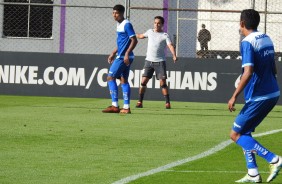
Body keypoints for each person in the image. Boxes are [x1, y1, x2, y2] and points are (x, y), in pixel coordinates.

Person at [228, 9, 281, 183]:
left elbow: (248, 72)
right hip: (272, 91)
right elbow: (273, 67)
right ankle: (253, 173)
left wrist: (234, 95)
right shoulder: (266, 38)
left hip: (260, 95)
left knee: (235, 134)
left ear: (242, 23)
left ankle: (274, 159)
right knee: (245, 132)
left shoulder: (247, 42)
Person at [135, 16, 177, 109]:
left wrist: (174, 55)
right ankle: (139, 102)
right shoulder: (150, 32)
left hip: (160, 62)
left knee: (163, 83)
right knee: (143, 82)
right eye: (155, 23)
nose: (156, 25)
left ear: (162, 25)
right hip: (148, 61)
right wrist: (132, 34)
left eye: (158, 23)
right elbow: (141, 36)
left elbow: (170, 45)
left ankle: (167, 103)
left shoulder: (165, 35)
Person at [102, 4, 138, 114]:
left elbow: (134, 40)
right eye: (113, 13)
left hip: (123, 57)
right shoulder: (119, 24)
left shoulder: (126, 24)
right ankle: (126, 107)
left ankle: (115, 106)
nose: (114, 15)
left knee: (110, 77)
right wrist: (113, 52)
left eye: (116, 13)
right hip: (123, 56)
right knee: (124, 80)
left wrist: (126, 53)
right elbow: (122, 42)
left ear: (122, 13)